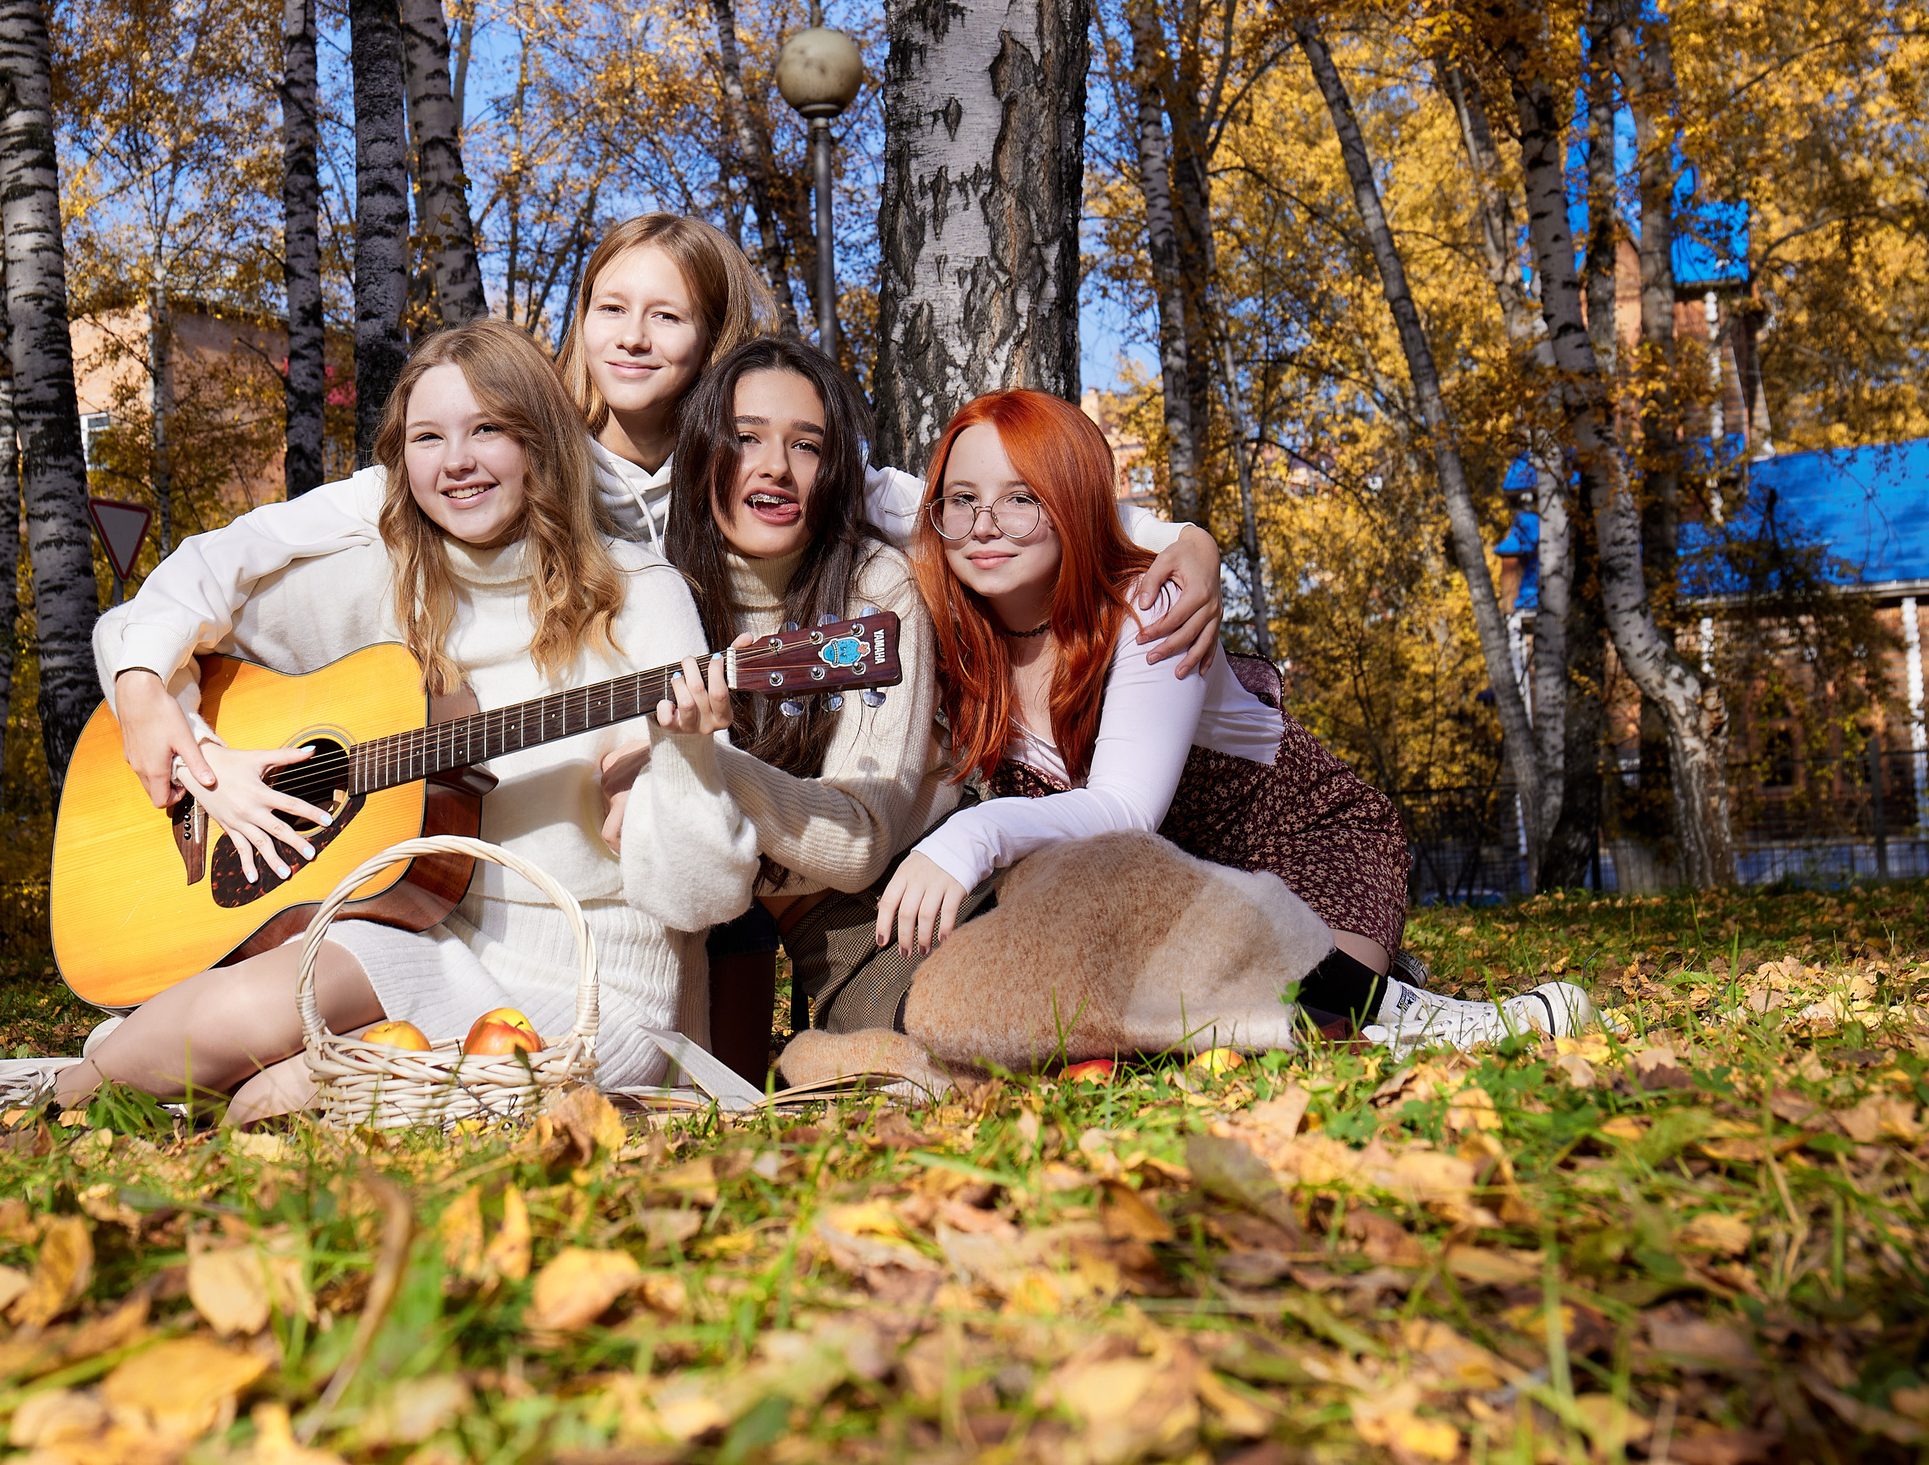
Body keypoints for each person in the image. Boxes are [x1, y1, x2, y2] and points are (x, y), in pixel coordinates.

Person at [0, 323, 757, 1123]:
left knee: (292, 1099)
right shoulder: (387, 578)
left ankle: (268, 1080)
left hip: (594, 977)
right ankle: (38, 1102)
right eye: (427, 437)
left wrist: (688, 760)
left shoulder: (641, 596)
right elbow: (176, 597)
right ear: (398, 458)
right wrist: (171, 714)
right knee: (240, 1010)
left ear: (542, 443)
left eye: (488, 428)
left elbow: (705, 897)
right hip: (431, 933)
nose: (457, 460)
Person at [91, 213, 1230, 819]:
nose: (632, 337)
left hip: (653, 798)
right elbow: (226, 557)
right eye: (610, 307)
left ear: (715, 339)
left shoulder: (749, 474)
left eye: (668, 318)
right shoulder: (506, 459)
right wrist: (146, 689)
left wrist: (1180, 538)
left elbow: (926, 502)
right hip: (490, 787)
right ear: (579, 318)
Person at [786, 389, 1592, 1055]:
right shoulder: (950, 580)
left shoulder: (1152, 601)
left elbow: (1126, 809)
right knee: (1179, 1033)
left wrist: (969, 837)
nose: (986, 523)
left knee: (1320, 1028)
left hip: (1291, 844)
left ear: (1070, 503)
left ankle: (1452, 1013)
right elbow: (825, 475)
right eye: (962, 500)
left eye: (1023, 499)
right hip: (1158, 882)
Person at [605, 336, 950, 1073]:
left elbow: (858, 843)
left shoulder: (875, 592)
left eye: (806, 445)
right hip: (696, 911)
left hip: (867, 906)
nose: (775, 466)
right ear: (703, 454)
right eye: (746, 437)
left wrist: (694, 770)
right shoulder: (649, 589)